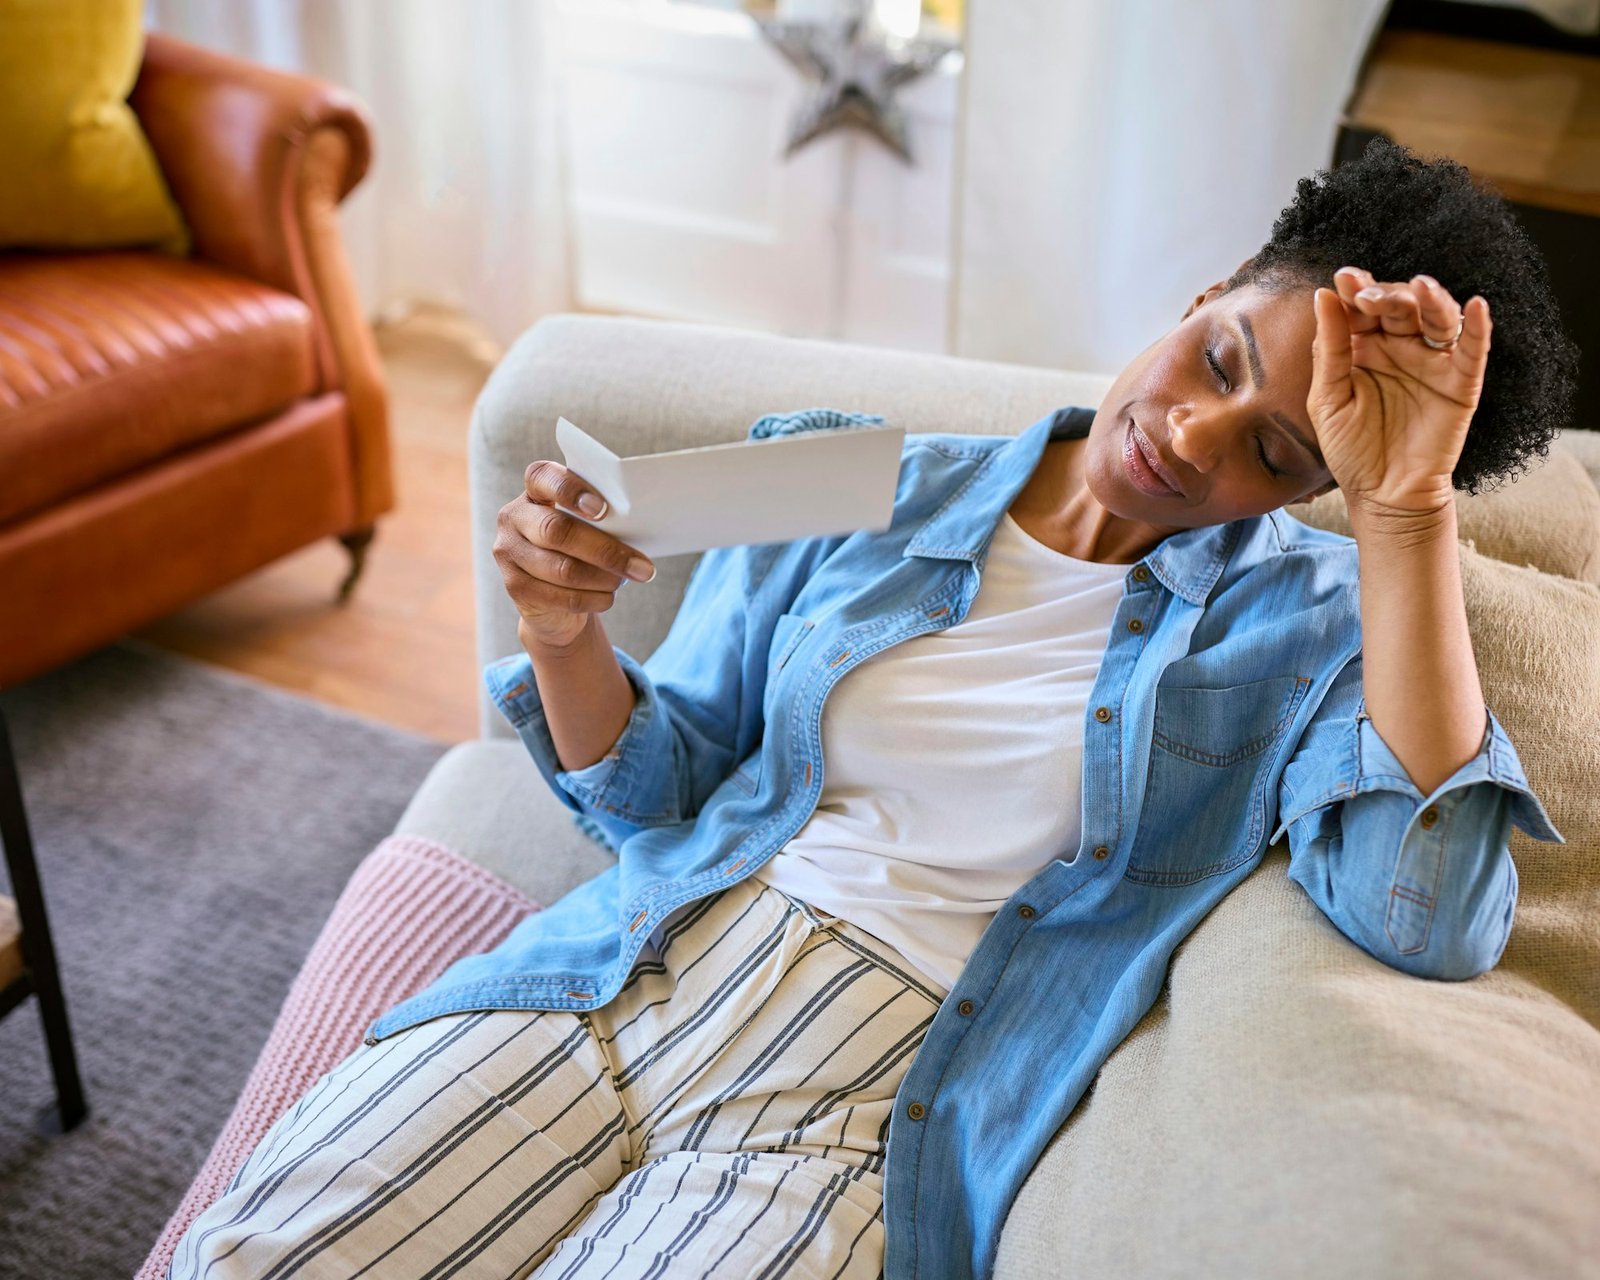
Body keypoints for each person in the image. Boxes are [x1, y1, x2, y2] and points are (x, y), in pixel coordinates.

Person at [172, 138, 1573, 1280]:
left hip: (857, 1109)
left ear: (1312, 493)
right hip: (627, 974)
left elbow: (1425, 917)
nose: (1192, 438)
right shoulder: (855, 484)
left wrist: (1408, 513)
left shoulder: (1314, 631)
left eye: (1273, 451)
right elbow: (656, 796)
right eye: (1216, 358)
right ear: (1201, 291)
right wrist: (561, 635)